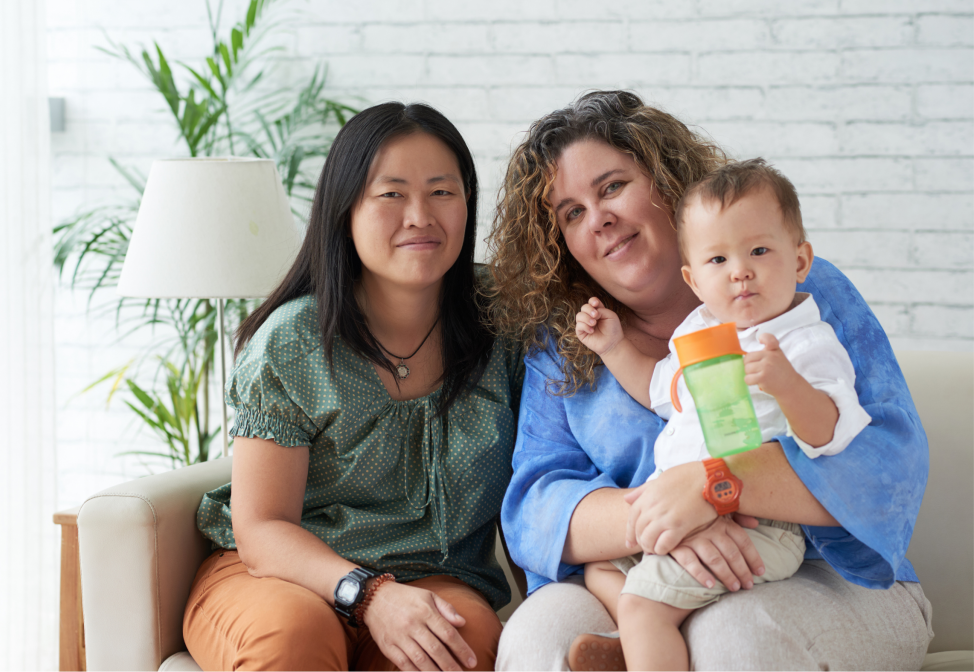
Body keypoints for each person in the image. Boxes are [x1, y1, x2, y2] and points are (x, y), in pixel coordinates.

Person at [486, 90, 933, 671]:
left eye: (612, 187)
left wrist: (714, 487)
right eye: (572, 212)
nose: (599, 219)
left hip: (824, 572)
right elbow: (534, 508)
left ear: (667, 182)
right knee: (539, 641)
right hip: (648, 563)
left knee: (732, 636)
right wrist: (663, 520)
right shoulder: (568, 343)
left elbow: (886, 463)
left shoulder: (799, 295)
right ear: (560, 243)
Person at [182, 102, 524, 671]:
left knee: (461, 639)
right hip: (283, 575)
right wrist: (370, 594)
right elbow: (263, 528)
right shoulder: (293, 341)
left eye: (442, 192)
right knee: (296, 635)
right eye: (391, 194)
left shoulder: (505, 325)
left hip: (435, 578)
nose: (420, 215)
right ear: (345, 210)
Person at [572, 159, 872, 670]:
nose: (740, 271)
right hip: (681, 512)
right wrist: (613, 349)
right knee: (600, 567)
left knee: (643, 605)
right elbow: (659, 390)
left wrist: (788, 385)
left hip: (757, 525)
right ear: (693, 277)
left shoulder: (803, 341)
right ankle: (644, 646)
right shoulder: (700, 333)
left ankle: (648, 638)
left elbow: (831, 431)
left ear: (800, 261)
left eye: (759, 250)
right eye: (717, 260)